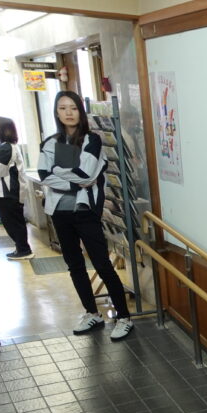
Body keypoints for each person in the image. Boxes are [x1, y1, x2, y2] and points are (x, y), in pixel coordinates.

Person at [37, 91, 133, 341]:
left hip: (85, 211)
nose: (68, 113)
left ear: (81, 111)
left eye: (73, 108)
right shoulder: (50, 143)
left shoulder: (92, 140)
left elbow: (86, 175)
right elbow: (45, 175)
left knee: (102, 264)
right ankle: (92, 313)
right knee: (75, 266)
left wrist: (60, 171)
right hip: (60, 212)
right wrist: (71, 181)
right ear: (56, 112)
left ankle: (124, 317)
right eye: (62, 108)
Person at [0, 117, 33, 260]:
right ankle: (22, 248)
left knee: (13, 223)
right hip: (8, 193)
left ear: (0, 129)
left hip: (9, 193)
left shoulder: (6, 148)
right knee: (14, 222)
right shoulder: (6, 146)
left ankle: (24, 250)